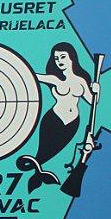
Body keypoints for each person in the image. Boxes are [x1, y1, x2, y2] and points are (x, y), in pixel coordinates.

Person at [18, 42, 98, 191]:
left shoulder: (81, 81)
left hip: (72, 123)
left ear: (72, 58)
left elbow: (93, 102)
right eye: (56, 58)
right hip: (53, 120)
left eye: (63, 57)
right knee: (43, 151)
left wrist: (96, 91)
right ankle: (37, 172)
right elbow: (34, 76)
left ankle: (40, 174)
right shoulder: (54, 79)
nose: (59, 61)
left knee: (56, 152)